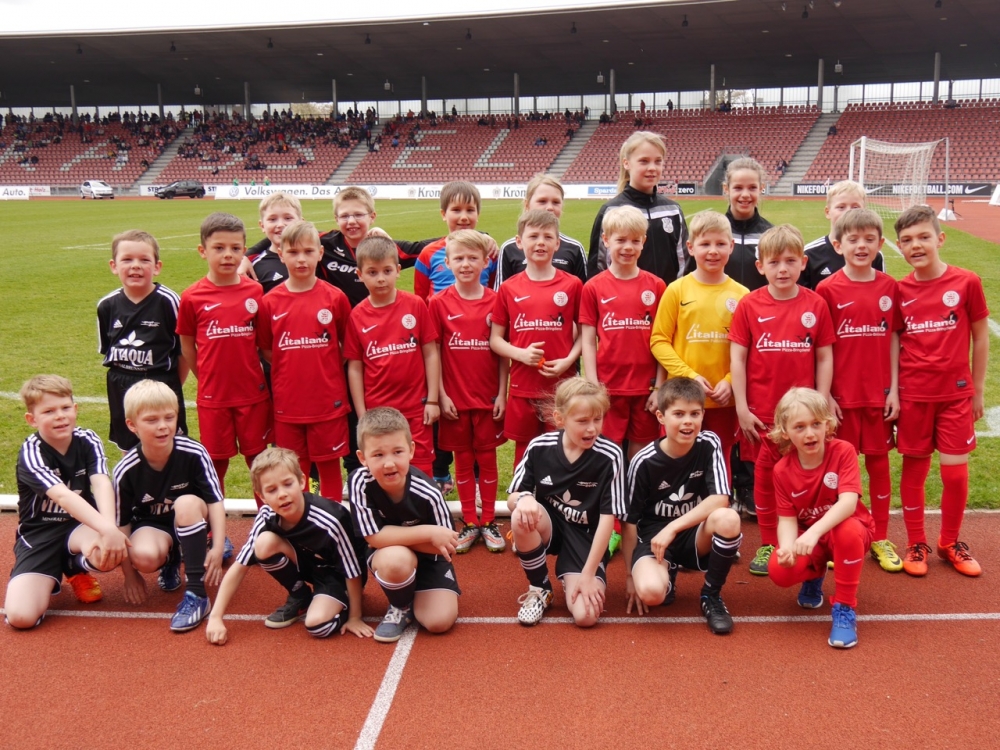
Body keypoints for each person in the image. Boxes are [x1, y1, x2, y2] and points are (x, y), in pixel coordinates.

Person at [729, 225, 835, 576]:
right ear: (760, 266)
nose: (783, 269)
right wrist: (741, 407)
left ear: (804, 262)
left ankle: (811, 541)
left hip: (803, 417)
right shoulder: (749, 304)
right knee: (764, 480)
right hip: (761, 412)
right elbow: (738, 358)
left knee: (804, 476)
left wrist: (821, 403)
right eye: (774, 262)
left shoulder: (815, 304)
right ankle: (767, 543)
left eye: (790, 261)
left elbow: (824, 356)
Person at [894, 206, 989, 577]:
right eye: (907, 240)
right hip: (914, 396)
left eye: (923, 237)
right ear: (900, 246)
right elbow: (894, 342)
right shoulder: (900, 290)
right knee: (914, 473)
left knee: (955, 475)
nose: (916, 245)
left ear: (940, 238)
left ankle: (949, 542)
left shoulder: (966, 282)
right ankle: (916, 543)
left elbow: (981, 337)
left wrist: (977, 390)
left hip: (955, 395)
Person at [206, 447, 371, 644]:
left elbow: (353, 570)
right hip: (309, 564)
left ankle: (341, 602)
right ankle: (300, 595)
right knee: (264, 543)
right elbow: (239, 567)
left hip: (339, 575)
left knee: (318, 626)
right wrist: (215, 617)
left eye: (287, 484)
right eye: (272, 490)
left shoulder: (330, 519)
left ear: (301, 481)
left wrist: (355, 617)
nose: (282, 494)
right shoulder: (266, 516)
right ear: (262, 496)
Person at [815, 208, 903, 572]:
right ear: (838, 245)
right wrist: (826, 395)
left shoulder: (890, 287)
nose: (861, 246)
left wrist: (894, 390)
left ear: (880, 243)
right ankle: (839, 536)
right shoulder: (826, 289)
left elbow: (894, 339)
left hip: (879, 396)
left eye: (869, 239)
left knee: (879, 465)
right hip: (842, 399)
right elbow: (822, 348)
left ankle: (880, 537)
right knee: (837, 471)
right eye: (853, 240)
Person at [6, 375, 129, 629]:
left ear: (75, 409)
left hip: (80, 526)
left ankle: (73, 568)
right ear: (32, 419)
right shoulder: (31, 451)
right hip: (40, 533)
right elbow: (63, 496)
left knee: (106, 553)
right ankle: (48, 572)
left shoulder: (87, 439)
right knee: (20, 618)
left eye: (65, 408)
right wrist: (108, 530)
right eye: (49, 411)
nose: (60, 416)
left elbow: (101, 483)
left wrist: (108, 528)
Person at [623, 378, 742, 635]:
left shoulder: (708, 443)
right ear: (661, 417)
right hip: (654, 539)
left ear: (702, 415)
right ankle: (666, 573)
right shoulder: (643, 461)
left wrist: (673, 528)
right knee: (651, 593)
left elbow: (720, 499)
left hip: (693, 534)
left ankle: (711, 595)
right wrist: (630, 576)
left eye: (694, 414)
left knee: (728, 518)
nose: (688, 421)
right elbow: (630, 523)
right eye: (678, 414)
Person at [580, 205, 665, 558]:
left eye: (634, 240)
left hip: (645, 390)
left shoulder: (656, 286)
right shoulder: (594, 287)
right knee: (609, 457)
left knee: (640, 458)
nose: (627, 247)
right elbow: (588, 340)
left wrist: (659, 386)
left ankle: (635, 519)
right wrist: (593, 385)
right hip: (608, 390)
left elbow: (662, 340)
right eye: (620, 240)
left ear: (643, 242)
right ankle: (610, 524)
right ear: (605, 240)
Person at [506, 378, 625, 627]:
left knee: (586, 616)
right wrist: (524, 498)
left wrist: (588, 574)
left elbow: (608, 519)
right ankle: (540, 588)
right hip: (550, 526)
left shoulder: (610, 455)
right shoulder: (539, 447)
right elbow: (512, 498)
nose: (592, 429)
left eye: (598, 419)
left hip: (586, 535)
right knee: (520, 515)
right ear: (559, 419)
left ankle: (572, 574)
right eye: (582, 421)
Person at [112, 380, 226, 632]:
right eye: (152, 420)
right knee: (143, 556)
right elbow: (121, 525)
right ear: (132, 425)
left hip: (192, 517)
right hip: (153, 526)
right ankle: (171, 560)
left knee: (185, 503)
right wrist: (129, 574)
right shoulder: (125, 470)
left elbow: (215, 501)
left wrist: (218, 547)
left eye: (169, 417)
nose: (163, 426)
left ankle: (197, 594)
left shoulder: (194, 452)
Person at [767, 388, 874, 649]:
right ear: (785, 432)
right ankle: (813, 575)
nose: (810, 433)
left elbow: (848, 503)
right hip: (810, 539)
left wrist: (813, 533)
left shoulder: (843, 451)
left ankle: (844, 607)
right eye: (800, 427)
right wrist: (787, 548)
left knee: (846, 530)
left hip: (850, 532)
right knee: (779, 571)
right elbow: (787, 520)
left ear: (827, 424)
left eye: (816, 424)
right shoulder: (781, 470)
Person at [176, 213, 272, 502]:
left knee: (259, 460)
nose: (228, 255)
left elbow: (263, 343)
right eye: (219, 248)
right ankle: (215, 522)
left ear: (244, 250)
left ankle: (266, 518)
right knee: (216, 462)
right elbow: (187, 346)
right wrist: (206, 377)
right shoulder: (192, 297)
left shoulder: (255, 291)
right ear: (203, 250)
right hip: (214, 396)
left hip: (252, 393)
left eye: (235, 248)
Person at [651, 210, 749, 483]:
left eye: (720, 244)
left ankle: (719, 506)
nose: (713, 251)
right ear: (691, 247)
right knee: (676, 457)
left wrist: (729, 381)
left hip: (723, 399)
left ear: (732, 246)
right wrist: (689, 376)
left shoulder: (742, 295)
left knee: (719, 458)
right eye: (705, 244)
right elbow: (659, 341)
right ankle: (672, 504)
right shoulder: (677, 290)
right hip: (681, 396)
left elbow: (747, 350)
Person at [258, 220, 352, 501]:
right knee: (294, 469)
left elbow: (346, 346)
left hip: (327, 401)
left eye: (308, 251)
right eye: (293, 252)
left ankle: (332, 519)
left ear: (320, 253)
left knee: (329, 466)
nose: (301, 259)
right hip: (288, 403)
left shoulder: (335, 298)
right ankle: (302, 519)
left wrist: (326, 369)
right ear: (281, 254)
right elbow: (268, 351)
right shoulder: (270, 302)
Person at [349, 407, 460, 643]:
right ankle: (401, 605)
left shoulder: (428, 492)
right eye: (378, 455)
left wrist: (393, 539)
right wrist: (428, 532)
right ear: (362, 457)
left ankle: (417, 587)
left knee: (438, 622)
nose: (389, 463)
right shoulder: (359, 482)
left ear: (411, 450)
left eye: (397, 452)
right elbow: (373, 537)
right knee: (396, 559)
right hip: (390, 556)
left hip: (431, 560)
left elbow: (446, 546)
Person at [428, 230, 508, 554]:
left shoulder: (496, 300)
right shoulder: (438, 303)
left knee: (487, 458)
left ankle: (488, 520)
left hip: (488, 398)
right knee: (462, 460)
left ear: (486, 262)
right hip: (455, 400)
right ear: (447, 262)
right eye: (458, 258)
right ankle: (470, 521)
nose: (465, 264)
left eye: (472, 258)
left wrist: (502, 393)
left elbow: (501, 353)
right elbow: (434, 352)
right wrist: (441, 394)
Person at [491, 209, 584, 469]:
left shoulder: (573, 285)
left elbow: (585, 333)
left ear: (558, 243)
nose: (540, 242)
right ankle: (524, 492)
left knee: (562, 448)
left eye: (547, 237)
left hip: (561, 387)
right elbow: (495, 339)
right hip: (523, 386)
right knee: (525, 452)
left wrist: (568, 361)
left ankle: (557, 494)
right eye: (533, 236)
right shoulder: (508, 288)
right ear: (519, 242)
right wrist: (520, 354)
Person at [344, 237, 440, 476]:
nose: (381, 278)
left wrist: (432, 400)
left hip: (416, 407)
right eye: (372, 272)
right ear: (360, 274)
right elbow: (355, 367)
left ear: (398, 270)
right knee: (384, 469)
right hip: (378, 411)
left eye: (387, 271)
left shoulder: (415, 305)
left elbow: (430, 353)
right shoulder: (357, 315)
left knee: (420, 468)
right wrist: (362, 414)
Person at [97, 230, 187, 451]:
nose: (135, 266)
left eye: (144, 260)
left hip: (160, 381)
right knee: (128, 446)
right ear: (113, 266)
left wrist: (171, 385)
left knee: (167, 444)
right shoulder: (106, 305)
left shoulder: (169, 301)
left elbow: (183, 351)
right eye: (127, 259)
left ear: (157, 267)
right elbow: (108, 350)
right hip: (121, 383)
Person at [587, 131, 688, 287]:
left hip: (667, 299)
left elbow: (685, 263)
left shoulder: (673, 210)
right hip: (623, 300)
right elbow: (598, 267)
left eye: (658, 161)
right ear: (626, 163)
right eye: (644, 161)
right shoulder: (611, 210)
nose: (652, 168)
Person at [495, 174, 587, 288]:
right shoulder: (509, 249)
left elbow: (583, 294)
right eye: (542, 201)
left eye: (556, 202)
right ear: (527, 205)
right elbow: (501, 293)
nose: (550, 207)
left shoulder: (575, 248)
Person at [413, 182, 498, 302]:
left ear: (478, 214)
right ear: (444, 214)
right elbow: (421, 299)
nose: (464, 217)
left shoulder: (489, 252)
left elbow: (494, 292)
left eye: (470, 210)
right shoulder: (428, 254)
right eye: (456, 210)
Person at [801, 181, 885, 290]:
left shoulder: (874, 255)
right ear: (828, 212)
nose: (848, 212)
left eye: (855, 207)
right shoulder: (809, 254)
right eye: (841, 207)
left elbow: (881, 291)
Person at [249, 192, 303, 294]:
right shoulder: (255, 266)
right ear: (262, 226)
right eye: (272, 219)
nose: (280, 224)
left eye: (288, 218)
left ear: (301, 223)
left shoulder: (315, 256)